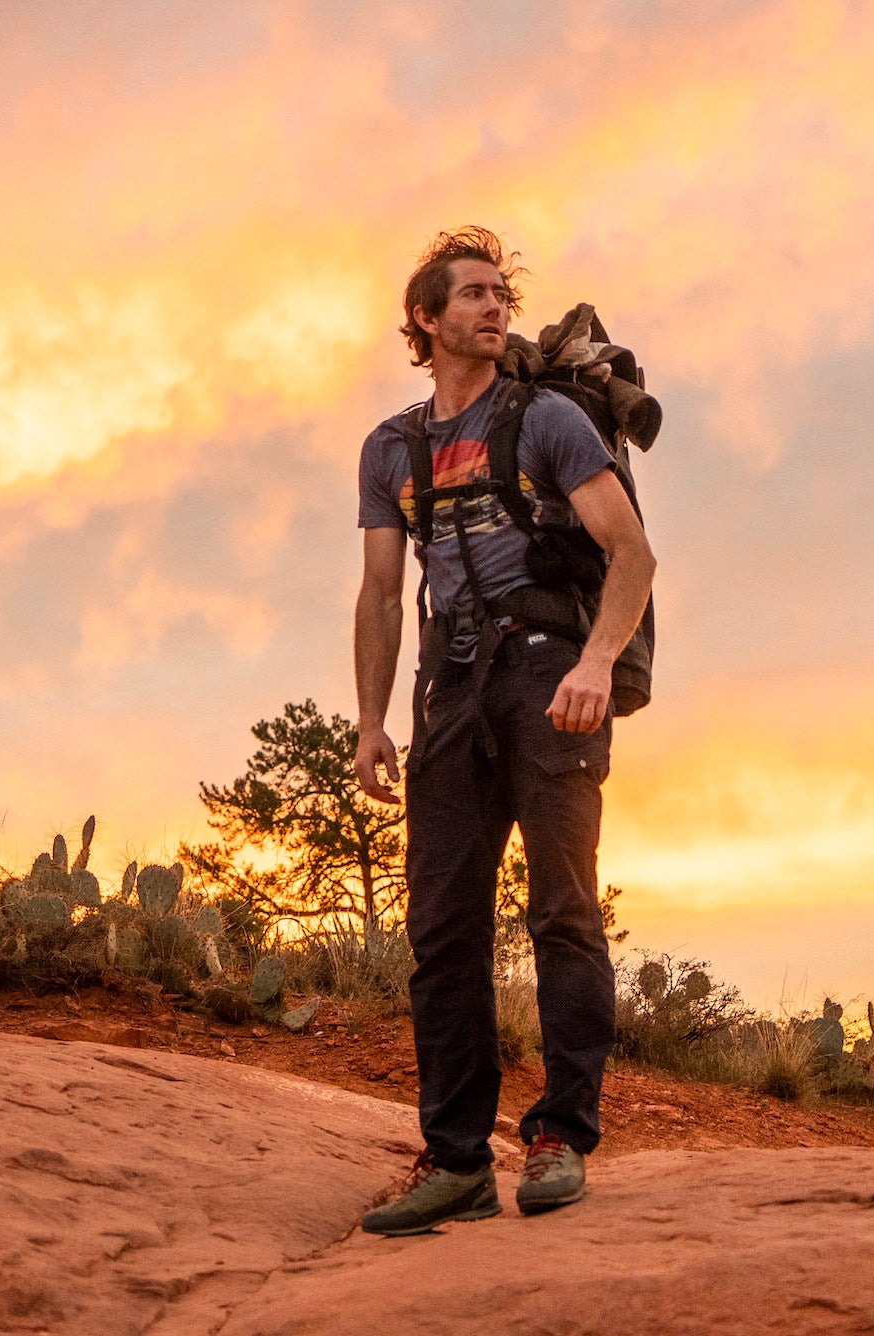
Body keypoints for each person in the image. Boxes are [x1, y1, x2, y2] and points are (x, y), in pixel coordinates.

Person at [352, 228, 656, 1232]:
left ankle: (559, 1136)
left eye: (499, 293)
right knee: (440, 929)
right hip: (448, 686)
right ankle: (453, 1160)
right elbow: (382, 595)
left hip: (544, 673)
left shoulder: (548, 419)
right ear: (424, 320)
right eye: (470, 295)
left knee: (562, 911)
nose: (492, 307)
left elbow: (630, 552)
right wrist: (367, 720)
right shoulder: (390, 448)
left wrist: (593, 664)